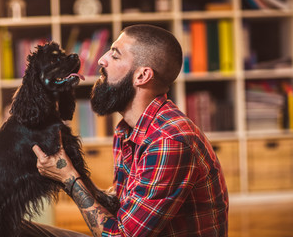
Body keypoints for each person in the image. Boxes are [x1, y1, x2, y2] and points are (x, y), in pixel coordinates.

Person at [32, 24, 229, 237]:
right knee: (13, 229)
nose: (101, 60)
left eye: (115, 56)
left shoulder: (169, 141)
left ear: (142, 76)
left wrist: (68, 178)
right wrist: (68, 171)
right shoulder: (127, 131)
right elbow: (121, 205)